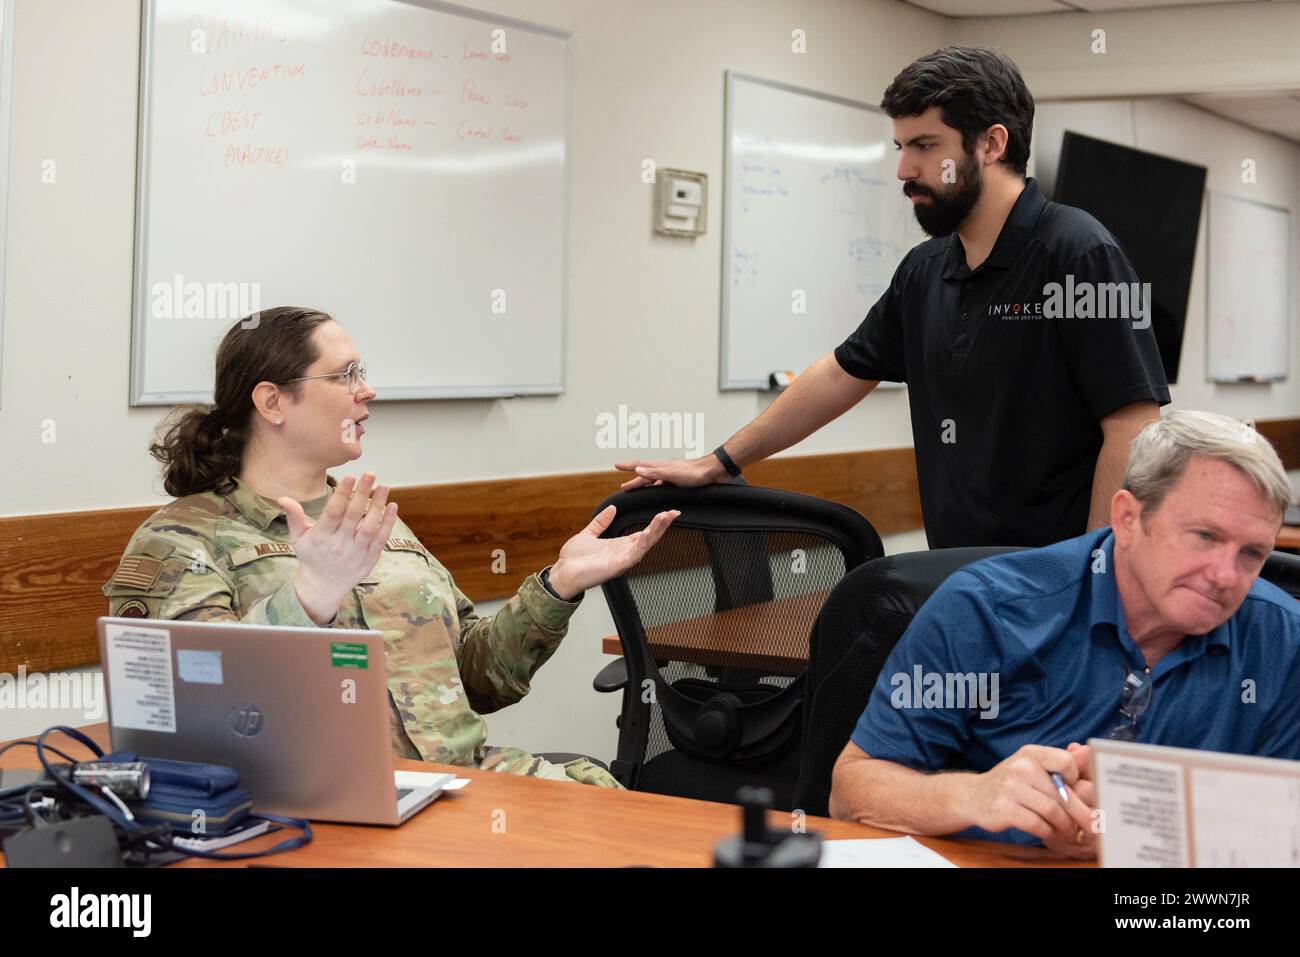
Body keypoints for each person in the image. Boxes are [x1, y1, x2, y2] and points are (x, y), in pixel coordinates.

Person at [103, 306, 679, 788]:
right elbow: (199, 721)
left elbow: (479, 680)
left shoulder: (373, 521)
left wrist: (559, 585)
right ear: (273, 402)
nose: (367, 390)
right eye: (345, 374)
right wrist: (309, 597)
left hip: (460, 784)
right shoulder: (182, 540)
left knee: (622, 811)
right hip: (320, 804)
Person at [617, 47, 1170, 549]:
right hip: (959, 579)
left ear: (992, 144)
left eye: (926, 146)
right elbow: (841, 374)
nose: (905, 169)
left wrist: (1092, 575)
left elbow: (1132, 424)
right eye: (902, 147)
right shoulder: (924, 271)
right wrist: (719, 461)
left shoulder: (1079, 253)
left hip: (1055, 580)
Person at [828, 411, 1300, 858]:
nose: (1225, 575)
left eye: (1252, 553)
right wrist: (975, 794)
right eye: (1205, 537)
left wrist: (1143, 824)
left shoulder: (1283, 638)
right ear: (1127, 519)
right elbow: (852, 792)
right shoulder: (988, 609)